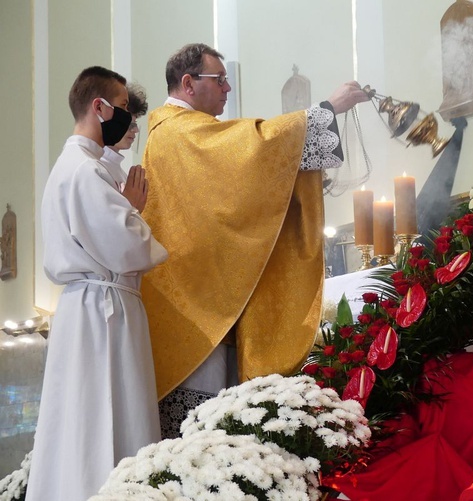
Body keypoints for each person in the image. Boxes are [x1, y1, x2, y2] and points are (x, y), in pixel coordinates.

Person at [140, 43, 369, 437]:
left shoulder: (176, 133)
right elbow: (256, 150)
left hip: (206, 299)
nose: (228, 88)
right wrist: (328, 109)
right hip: (198, 310)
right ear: (188, 83)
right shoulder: (179, 133)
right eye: (220, 79)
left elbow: (240, 189)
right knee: (204, 439)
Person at [25, 67, 167, 501]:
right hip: (103, 310)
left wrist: (122, 207)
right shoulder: (84, 171)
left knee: (80, 418)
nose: (127, 119)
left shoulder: (73, 166)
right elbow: (130, 249)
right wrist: (134, 212)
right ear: (98, 107)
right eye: (122, 108)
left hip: (87, 306)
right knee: (104, 413)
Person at [99, 82, 149, 190]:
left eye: (135, 124)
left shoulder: (119, 172)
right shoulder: (97, 168)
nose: (135, 130)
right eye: (130, 124)